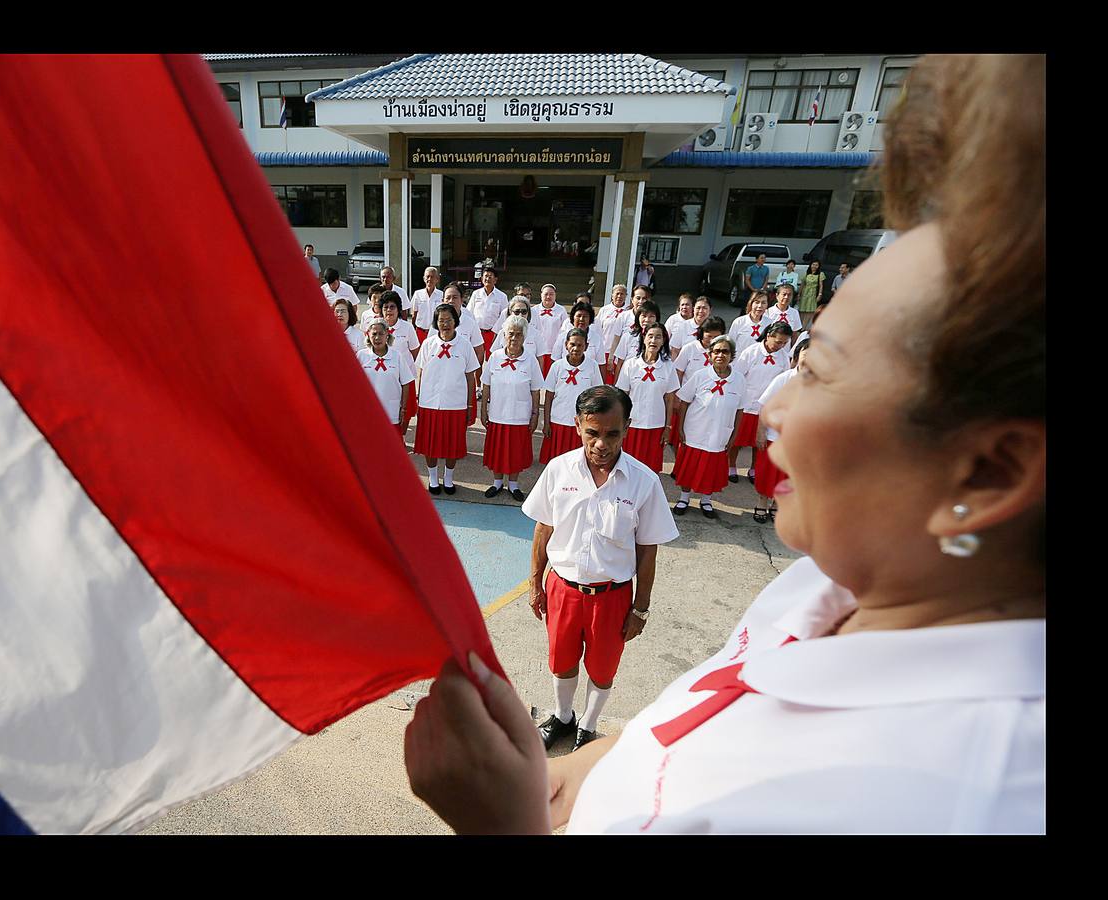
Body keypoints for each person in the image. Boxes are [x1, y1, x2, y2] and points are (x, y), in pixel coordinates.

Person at [403, 54, 1044, 836]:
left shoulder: (933, 796)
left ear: (985, 474)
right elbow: (649, 752)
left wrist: (499, 820)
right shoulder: (824, 591)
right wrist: (533, 776)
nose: (770, 403)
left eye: (817, 369)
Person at [519, 385, 678, 755]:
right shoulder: (559, 470)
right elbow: (543, 528)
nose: (601, 444)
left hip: (612, 596)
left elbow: (647, 548)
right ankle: (562, 716)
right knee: (560, 661)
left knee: (603, 669)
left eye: (612, 433)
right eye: (592, 433)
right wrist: (535, 584)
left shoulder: (643, 482)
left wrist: (641, 606)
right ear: (577, 426)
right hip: (563, 589)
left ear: (627, 428)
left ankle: (587, 726)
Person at [670, 335, 744, 518]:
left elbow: (740, 410)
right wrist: (680, 428)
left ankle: (706, 500)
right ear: (710, 355)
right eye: (716, 351)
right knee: (689, 467)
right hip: (695, 431)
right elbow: (684, 401)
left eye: (725, 351)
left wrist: (734, 435)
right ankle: (684, 497)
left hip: (720, 433)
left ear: (732, 356)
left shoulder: (739, 380)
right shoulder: (700, 376)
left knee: (711, 469)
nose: (720, 355)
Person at [414, 304, 481, 495]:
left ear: (456, 322)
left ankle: (449, 479)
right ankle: (433, 479)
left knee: (453, 444)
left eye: (449, 320)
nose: (445, 324)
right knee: (430, 443)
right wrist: (420, 398)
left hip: (456, 404)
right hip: (430, 403)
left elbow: (470, 376)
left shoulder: (465, 345)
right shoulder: (428, 344)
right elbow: (421, 371)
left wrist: (469, 404)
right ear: (436, 323)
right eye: (441, 320)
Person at [482, 315, 545, 501]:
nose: (514, 338)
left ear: (524, 337)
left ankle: (514, 484)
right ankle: (497, 482)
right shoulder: (495, 357)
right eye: (511, 333)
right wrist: (483, 410)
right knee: (498, 450)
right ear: (504, 335)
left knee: (516, 450)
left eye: (519, 334)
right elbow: (486, 385)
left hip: (520, 415)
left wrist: (535, 414)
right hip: (497, 413)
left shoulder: (530, 360)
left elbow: (535, 390)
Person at [728, 321, 793, 483]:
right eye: (778, 342)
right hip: (747, 404)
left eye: (784, 343)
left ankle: (754, 469)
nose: (781, 346)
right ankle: (731, 466)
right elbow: (738, 376)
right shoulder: (751, 352)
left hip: (766, 408)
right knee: (738, 439)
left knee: (760, 441)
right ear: (769, 335)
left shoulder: (784, 358)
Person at [751, 342, 807, 523]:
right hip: (775, 436)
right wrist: (761, 431)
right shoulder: (784, 378)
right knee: (768, 472)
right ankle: (762, 502)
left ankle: (777, 505)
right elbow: (765, 404)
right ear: (798, 355)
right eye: (807, 354)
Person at [614, 322, 677, 474]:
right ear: (643, 338)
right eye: (650, 336)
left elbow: (669, 400)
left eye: (658, 337)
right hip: (632, 424)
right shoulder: (631, 364)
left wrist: (668, 427)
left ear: (663, 341)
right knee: (627, 465)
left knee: (649, 469)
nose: (653, 341)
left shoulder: (668, 366)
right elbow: (622, 396)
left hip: (655, 425)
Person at [539, 328, 603, 465]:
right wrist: (546, 422)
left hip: (581, 423)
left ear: (586, 346)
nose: (576, 348)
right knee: (557, 462)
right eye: (572, 344)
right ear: (566, 345)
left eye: (580, 345)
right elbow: (549, 396)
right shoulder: (557, 366)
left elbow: (597, 396)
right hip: (558, 422)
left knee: (578, 462)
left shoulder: (592, 367)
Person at [356, 320, 415, 433]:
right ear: (368, 334)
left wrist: (403, 408)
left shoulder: (397, 356)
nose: (377, 338)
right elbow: (354, 384)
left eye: (381, 333)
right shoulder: (361, 356)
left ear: (387, 334)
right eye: (374, 334)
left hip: (391, 410)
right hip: (368, 410)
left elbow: (406, 382)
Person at [381, 293, 421, 427]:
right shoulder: (376, 328)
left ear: (398, 309)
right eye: (385, 307)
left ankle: (402, 438)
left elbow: (416, 353)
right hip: (385, 378)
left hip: (405, 378)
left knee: (405, 412)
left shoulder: (407, 327)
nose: (389, 310)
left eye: (392, 307)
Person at [553, 301, 605, 386]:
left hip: (587, 382)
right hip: (564, 381)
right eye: (578, 316)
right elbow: (555, 360)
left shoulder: (597, 339)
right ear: (573, 318)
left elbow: (601, 365)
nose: (581, 319)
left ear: (590, 319)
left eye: (585, 316)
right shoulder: (562, 337)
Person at [610, 299, 661, 385]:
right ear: (638, 317)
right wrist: (616, 386)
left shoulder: (661, 338)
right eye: (644, 316)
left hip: (651, 382)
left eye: (651, 316)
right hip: (628, 381)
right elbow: (620, 364)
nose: (647, 320)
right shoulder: (628, 336)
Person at [468, 266, 510, 356]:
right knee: (475, 359)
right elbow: (469, 312)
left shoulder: (502, 296)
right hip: (477, 332)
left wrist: (496, 332)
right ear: (482, 278)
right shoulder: (476, 294)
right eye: (485, 276)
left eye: (490, 276)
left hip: (492, 333)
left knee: (491, 358)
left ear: (495, 280)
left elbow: (504, 317)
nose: (487, 279)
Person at [442, 281, 485, 365]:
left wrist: (471, 370)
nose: (451, 301)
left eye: (455, 297)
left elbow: (479, 351)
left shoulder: (470, 323)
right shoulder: (436, 322)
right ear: (443, 300)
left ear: (461, 300)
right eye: (448, 298)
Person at [530, 284, 567, 379]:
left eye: (551, 294)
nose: (548, 297)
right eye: (546, 294)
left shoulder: (561, 310)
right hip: (537, 350)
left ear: (555, 295)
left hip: (553, 351)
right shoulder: (533, 310)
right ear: (541, 295)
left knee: (551, 378)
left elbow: (565, 331)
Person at [668, 296, 712, 361]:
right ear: (693, 309)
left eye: (704, 308)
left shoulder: (714, 327)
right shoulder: (682, 326)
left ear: (710, 310)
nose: (701, 311)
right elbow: (674, 351)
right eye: (698, 308)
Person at [411, 266, 444, 345]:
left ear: (437, 279)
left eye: (432, 277)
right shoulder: (417, 294)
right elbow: (414, 314)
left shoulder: (441, 295)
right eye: (427, 276)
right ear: (424, 278)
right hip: (420, 332)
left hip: (436, 332)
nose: (429, 279)